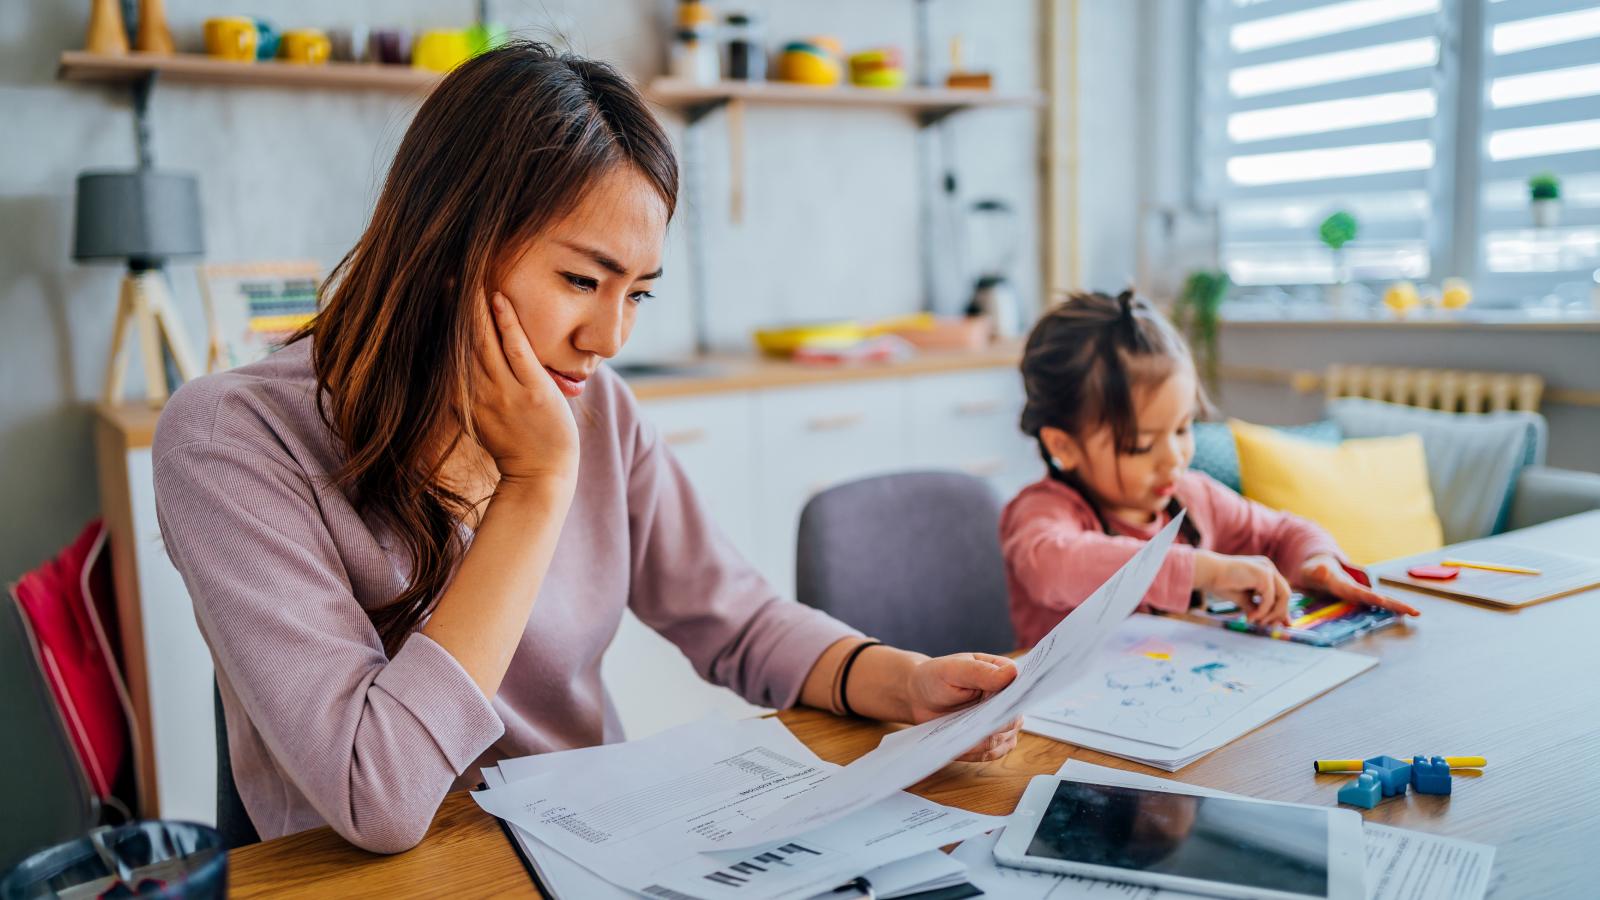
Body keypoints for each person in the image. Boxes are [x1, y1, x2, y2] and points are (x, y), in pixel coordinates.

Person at [154, 44, 1021, 853]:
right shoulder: (232, 441)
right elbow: (376, 794)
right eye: (580, 280)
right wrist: (535, 487)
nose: (607, 336)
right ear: (452, 248)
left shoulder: (599, 404)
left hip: (591, 850)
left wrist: (905, 684)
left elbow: (740, 620)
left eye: (637, 293)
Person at [1001, 290, 1419, 648]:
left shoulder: (1194, 496)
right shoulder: (1041, 512)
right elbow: (1054, 566)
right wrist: (1207, 569)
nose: (1174, 458)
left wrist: (1316, 563)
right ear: (1063, 445)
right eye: (1140, 445)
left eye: (1183, 428)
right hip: (1057, 729)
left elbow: (1286, 531)